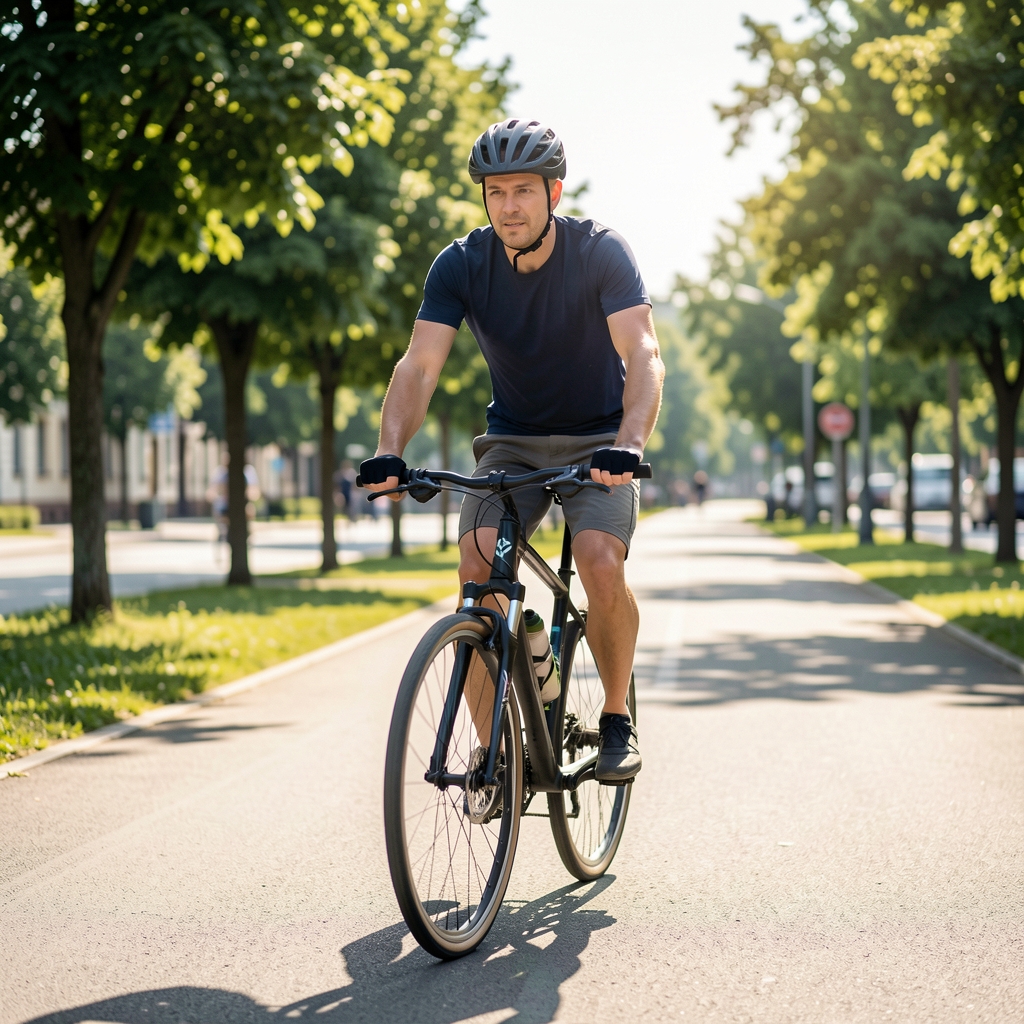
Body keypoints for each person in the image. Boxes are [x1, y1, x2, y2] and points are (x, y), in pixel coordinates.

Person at [361, 118, 664, 783]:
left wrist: (629, 444)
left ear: (554, 191)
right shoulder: (462, 264)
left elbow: (642, 351)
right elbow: (419, 367)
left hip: (599, 442)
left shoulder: (600, 253)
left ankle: (616, 717)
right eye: (495, 192)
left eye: (523, 190)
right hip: (511, 445)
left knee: (598, 560)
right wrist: (389, 449)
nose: (509, 206)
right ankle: (498, 753)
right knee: (476, 573)